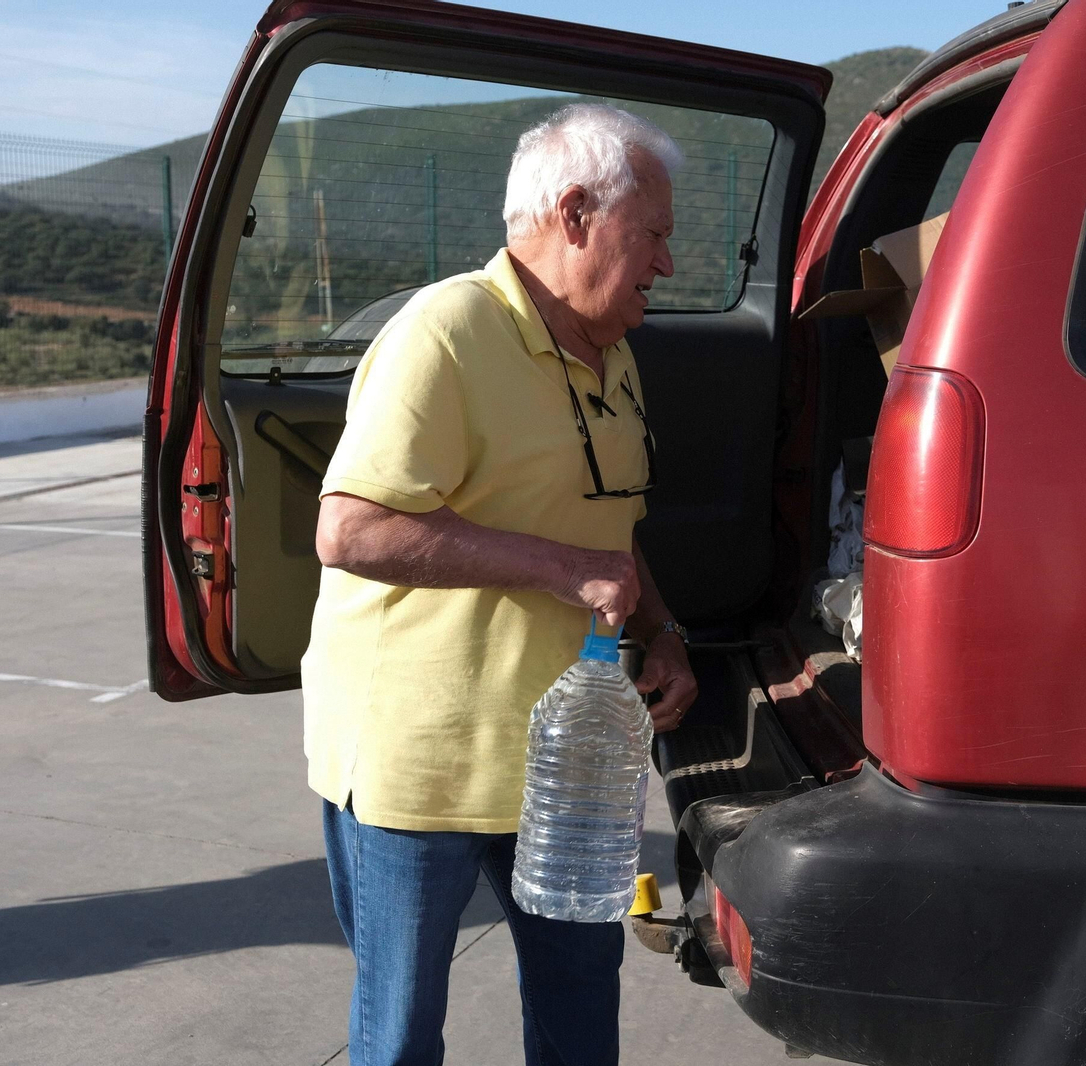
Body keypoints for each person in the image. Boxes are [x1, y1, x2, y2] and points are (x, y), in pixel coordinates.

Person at [301, 103, 699, 1066]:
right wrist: (564, 570)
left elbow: (610, 530)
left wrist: (665, 630)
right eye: (652, 235)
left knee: (578, 1021)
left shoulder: (616, 357)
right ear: (575, 214)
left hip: (564, 769)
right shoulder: (445, 332)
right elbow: (348, 528)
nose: (666, 265)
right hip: (422, 766)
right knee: (398, 1037)